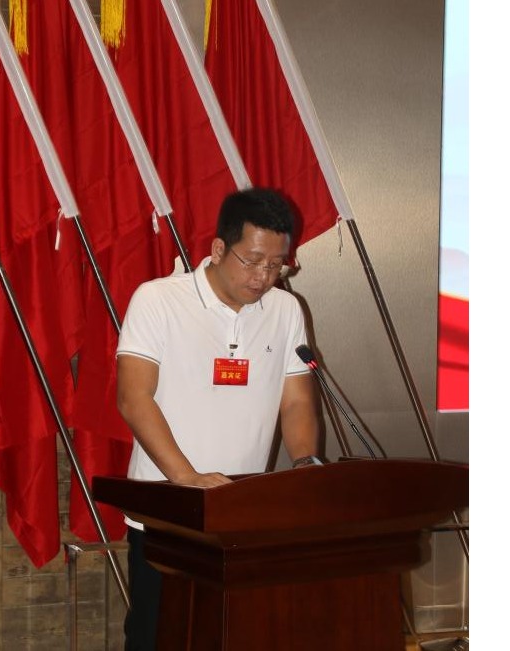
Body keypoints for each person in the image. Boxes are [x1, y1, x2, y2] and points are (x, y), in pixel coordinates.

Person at [115, 187, 321, 650]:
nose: (264, 277)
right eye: (253, 261)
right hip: (167, 513)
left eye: (277, 265)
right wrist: (186, 478)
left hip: (242, 511)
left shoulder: (285, 309)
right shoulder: (158, 300)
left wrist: (306, 465)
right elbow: (133, 398)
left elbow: (296, 403)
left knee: (232, 636)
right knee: (159, 637)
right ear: (218, 248)